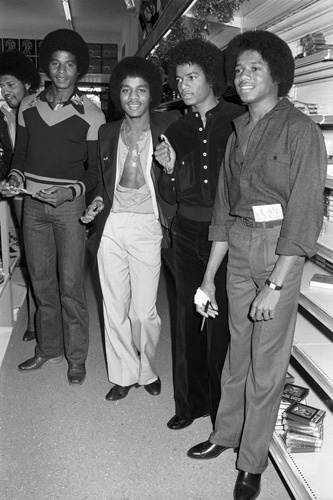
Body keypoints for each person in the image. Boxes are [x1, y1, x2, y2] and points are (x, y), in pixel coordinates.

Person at [186, 30, 326, 500]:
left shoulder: (300, 130)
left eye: (255, 69)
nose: (244, 77)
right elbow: (225, 209)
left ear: (278, 77)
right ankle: (225, 434)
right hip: (240, 248)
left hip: (278, 252)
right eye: (239, 70)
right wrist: (208, 275)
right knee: (235, 353)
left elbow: (306, 213)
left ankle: (252, 462)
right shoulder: (237, 132)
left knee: (267, 365)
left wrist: (277, 284)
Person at [1, 29, 106, 385]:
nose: (62, 71)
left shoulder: (92, 114)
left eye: (70, 65)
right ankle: (48, 348)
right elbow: (20, 155)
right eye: (56, 64)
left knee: (71, 285)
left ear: (80, 70)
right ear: (47, 66)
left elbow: (95, 172)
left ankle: (76, 357)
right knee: (42, 283)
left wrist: (71, 192)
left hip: (69, 208)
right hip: (32, 206)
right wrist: (15, 177)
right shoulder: (27, 106)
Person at [153, 38, 244, 430]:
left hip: (227, 234)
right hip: (186, 232)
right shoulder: (175, 129)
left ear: (212, 78)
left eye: (193, 77)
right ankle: (190, 404)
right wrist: (170, 170)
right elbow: (169, 194)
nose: (184, 86)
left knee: (220, 327)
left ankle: (224, 414)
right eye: (179, 79)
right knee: (187, 323)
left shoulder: (239, 120)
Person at [81, 56, 180, 401]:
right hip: (112, 225)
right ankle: (123, 373)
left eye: (140, 90)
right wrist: (95, 202)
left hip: (148, 225)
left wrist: (171, 169)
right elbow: (101, 181)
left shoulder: (170, 126)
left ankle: (147, 369)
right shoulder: (107, 132)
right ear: (117, 95)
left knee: (143, 311)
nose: (133, 97)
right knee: (114, 305)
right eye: (126, 90)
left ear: (152, 94)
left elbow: (185, 182)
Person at [0, 50, 41, 342]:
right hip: (17, 198)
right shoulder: (1, 120)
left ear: (27, 84)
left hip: (44, 196)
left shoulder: (39, 112)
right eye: (2, 86)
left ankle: (48, 317)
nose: (6, 91)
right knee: (29, 259)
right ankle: (34, 318)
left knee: (46, 261)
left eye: (11, 84)